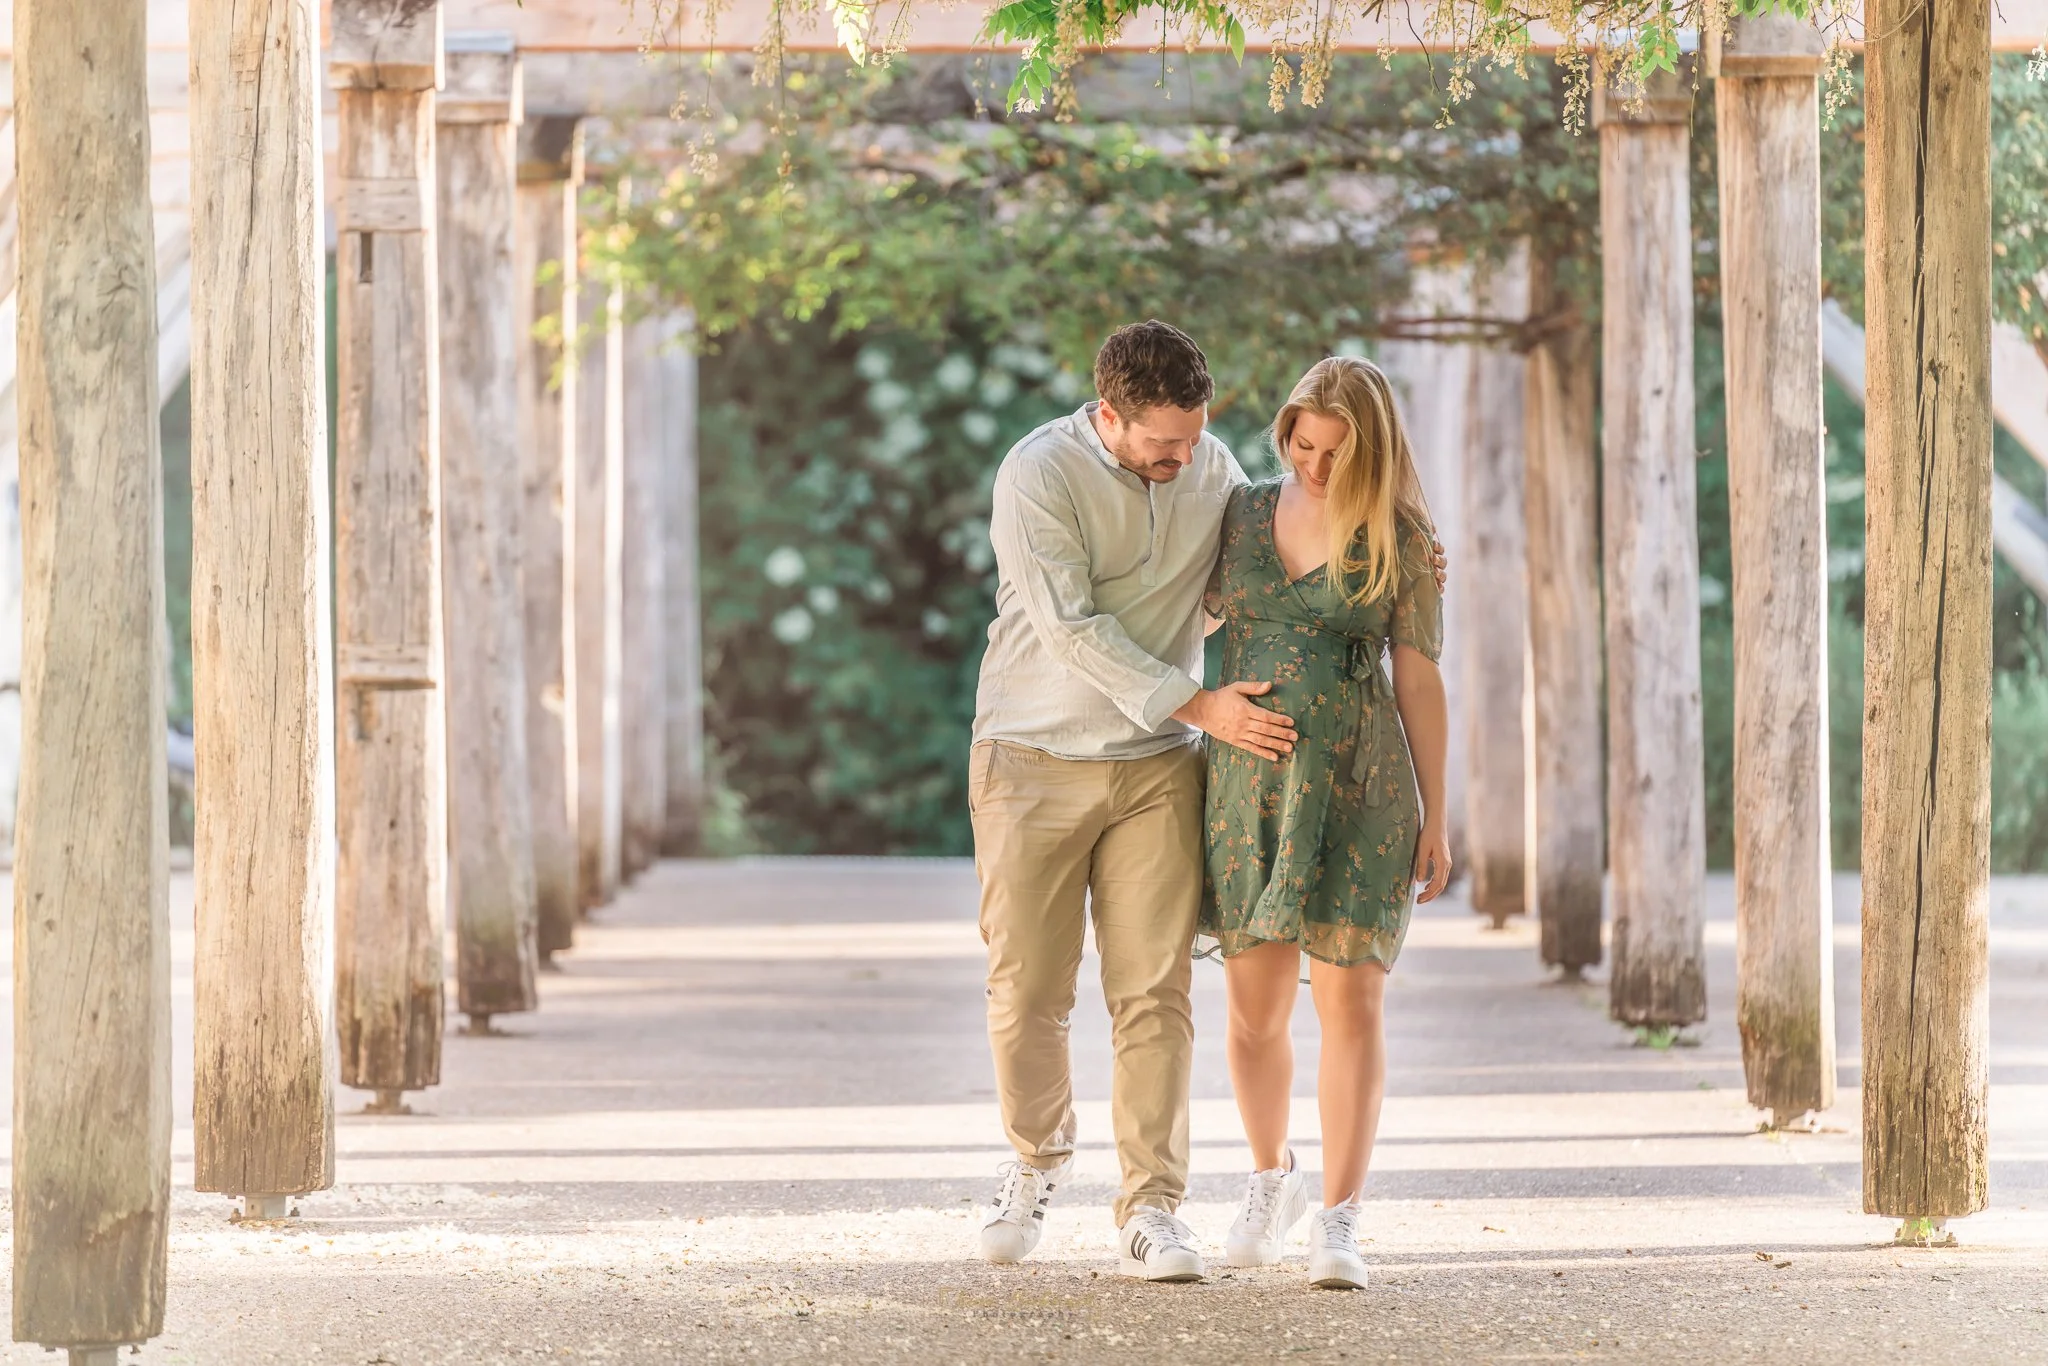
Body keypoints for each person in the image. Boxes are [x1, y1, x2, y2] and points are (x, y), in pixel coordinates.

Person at [968, 323, 1443, 1283]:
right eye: (1164, 444)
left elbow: (1290, 597)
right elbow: (1071, 627)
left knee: (1158, 993)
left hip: (1175, 764)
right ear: (1110, 416)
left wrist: (1403, 570)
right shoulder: (1039, 475)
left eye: (1196, 437)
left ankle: (1156, 1206)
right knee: (1029, 992)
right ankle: (1036, 1160)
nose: (1186, 459)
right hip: (1039, 753)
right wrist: (1205, 706)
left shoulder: (1215, 470)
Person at [1201, 355, 1451, 1290]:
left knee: (1351, 1005)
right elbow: (1175, 605)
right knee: (1254, 1010)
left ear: (1372, 452)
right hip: (1250, 788)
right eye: (1302, 445)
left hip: (1361, 785)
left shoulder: (1403, 538)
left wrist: (1437, 813)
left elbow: (1419, 678)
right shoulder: (1239, 514)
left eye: (1336, 453)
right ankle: (1272, 1179)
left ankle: (1340, 1219)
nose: (1314, 465)